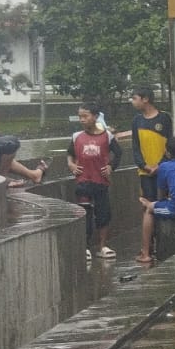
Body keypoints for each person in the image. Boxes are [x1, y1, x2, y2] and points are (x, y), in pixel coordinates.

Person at [70, 105, 122, 259]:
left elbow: (118, 153)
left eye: (85, 116)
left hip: (101, 181)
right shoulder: (76, 136)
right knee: (85, 212)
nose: (82, 120)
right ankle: (85, 246)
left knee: (103, 213)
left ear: (95, 116)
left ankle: (102, 246)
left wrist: (111, 167)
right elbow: (70, 154)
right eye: (80, 116)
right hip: (83, 181)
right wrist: (72, 165)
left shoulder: (107, 136)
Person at [121, 86, 171, 202]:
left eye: (134, 98)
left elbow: (170, 144)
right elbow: (136, 146)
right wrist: (143, 165)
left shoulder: (164, 118)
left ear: (145, 99)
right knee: (148, 204)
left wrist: (160, 164)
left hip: (163, 169)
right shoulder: (137, 120)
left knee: (164, 203)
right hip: (145, 171)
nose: (132, 102)